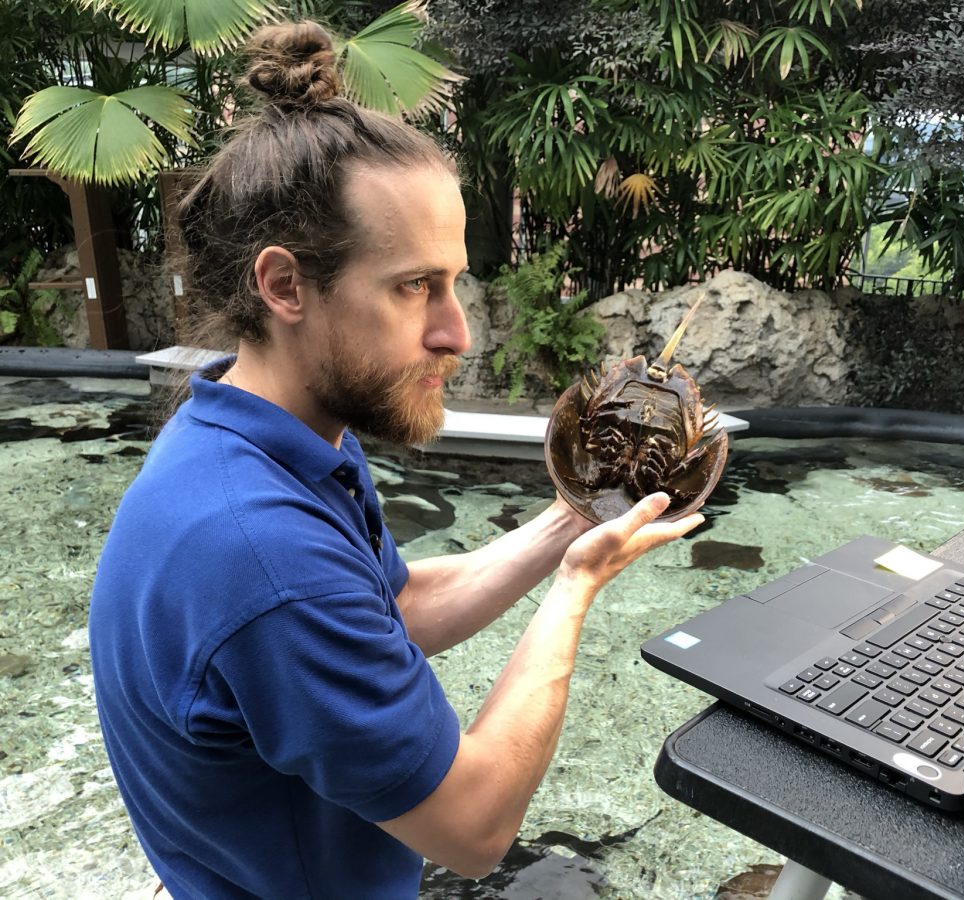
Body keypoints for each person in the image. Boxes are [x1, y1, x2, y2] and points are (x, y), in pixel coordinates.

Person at [88, 21, 701, 899]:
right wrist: (576, 589)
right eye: (415, 286)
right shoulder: (262, 554)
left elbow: (397, 607)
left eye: (453, 282)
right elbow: (474, 828)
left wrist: (573, 518)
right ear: (285, 285)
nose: (455, 332)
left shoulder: (259, 437)